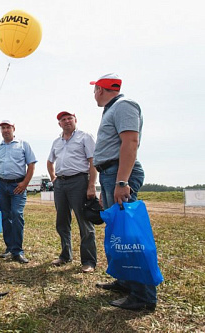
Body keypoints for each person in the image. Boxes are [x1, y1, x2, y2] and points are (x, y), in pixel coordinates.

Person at [90, 73, 156, 311]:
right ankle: (126, 281)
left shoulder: (123, 105)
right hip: (111, 174)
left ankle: (143, 296)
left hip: (119, 174)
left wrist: (121, 182)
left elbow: (130, 142)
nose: (93, 94)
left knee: (130, 237)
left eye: (95, 90)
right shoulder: (112, 109)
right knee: (119, 232)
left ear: (100, 89)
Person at [47, 111, 98, 273]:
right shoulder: (57, 141)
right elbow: (50, 162)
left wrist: (91, 185)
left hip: (79, 182)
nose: (67, 121)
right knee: (62, 221)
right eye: (63, 119)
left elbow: (93, 162)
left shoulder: (85, 137)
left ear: (76, 120)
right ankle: (65, 255)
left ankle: (88, 261)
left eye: (70, 118)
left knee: (84, 222)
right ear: (59, 124)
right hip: (60, 184)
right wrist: (54, 178)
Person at [0, 120, 37, 264]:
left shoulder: (23, 145)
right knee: (5, 217)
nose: (5, 130)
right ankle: (9, 248)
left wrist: (24, 184)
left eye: (8, 127)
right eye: (3, 128)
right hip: (2, 185)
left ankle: (18, 251)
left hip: (18, 185)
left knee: (17, 214)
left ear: (13, 129)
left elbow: (31, 164)